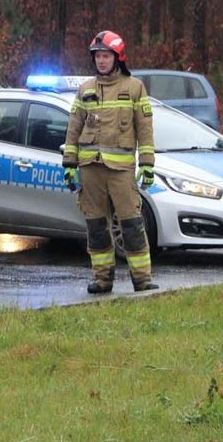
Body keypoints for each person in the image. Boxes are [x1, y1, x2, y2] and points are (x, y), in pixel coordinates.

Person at [62, 30, 158, 294]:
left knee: (131, 224)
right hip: (90, 168)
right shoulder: (85, 90)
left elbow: (145, 129)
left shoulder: (134, 88)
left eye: (106, 56)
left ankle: (142, 279)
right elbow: (73, 128)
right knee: (96, 226)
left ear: (118, 57)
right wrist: (69, 163)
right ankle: (102, 279)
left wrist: (148, 163)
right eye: (97, 56)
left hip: (121, 171)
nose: (101, 61)